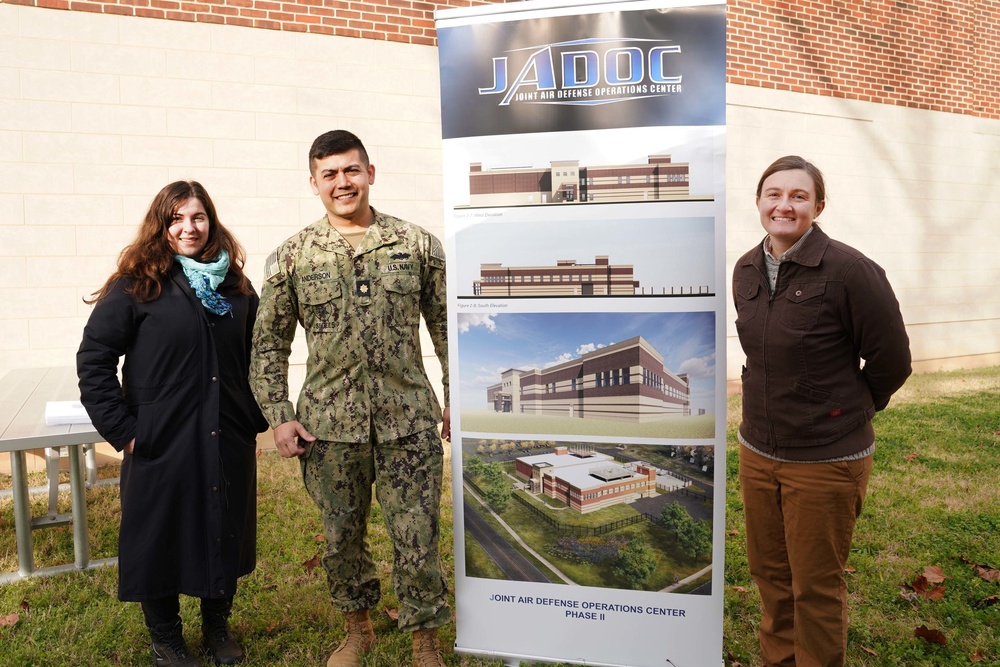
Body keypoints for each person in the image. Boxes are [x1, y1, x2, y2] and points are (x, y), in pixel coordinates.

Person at [250, 130, 451, 667]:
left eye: (351, 170)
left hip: (408, 421)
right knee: (341, 539)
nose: (343, 182)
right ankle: (357, 630)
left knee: (418, 534)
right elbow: (268, 344)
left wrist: (457, 397)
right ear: (313, 182)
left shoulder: (418, 246)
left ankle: (423, 639)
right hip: (328, 428)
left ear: (370, 173)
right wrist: (279, 417)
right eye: (330, 174)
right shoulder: (292, 257)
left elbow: (447, 329)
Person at [77, 181, 267, 667]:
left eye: (198, 217)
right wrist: (125, 430)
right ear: (162, 225)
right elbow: (95, 360)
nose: (189, 228)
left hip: (226, 433)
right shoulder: (136, 284)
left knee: (222, 527)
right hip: (161, 438)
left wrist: (251, 421)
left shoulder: (237, 286)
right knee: (158, 534)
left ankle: (217, 628)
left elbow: (259, 359)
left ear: (212, 221)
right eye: (177, 218)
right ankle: (166, 637)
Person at [732, 156, 912, 667]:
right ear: (760, 202)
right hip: (758, 452)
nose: (783, 205)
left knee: (814, 588)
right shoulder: (746, 267)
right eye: (773, 194)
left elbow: (891, 359)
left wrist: (849, 410)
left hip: (824, 461)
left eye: (798, 196)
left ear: (818, 206)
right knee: (772, 578)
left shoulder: (851, 270)